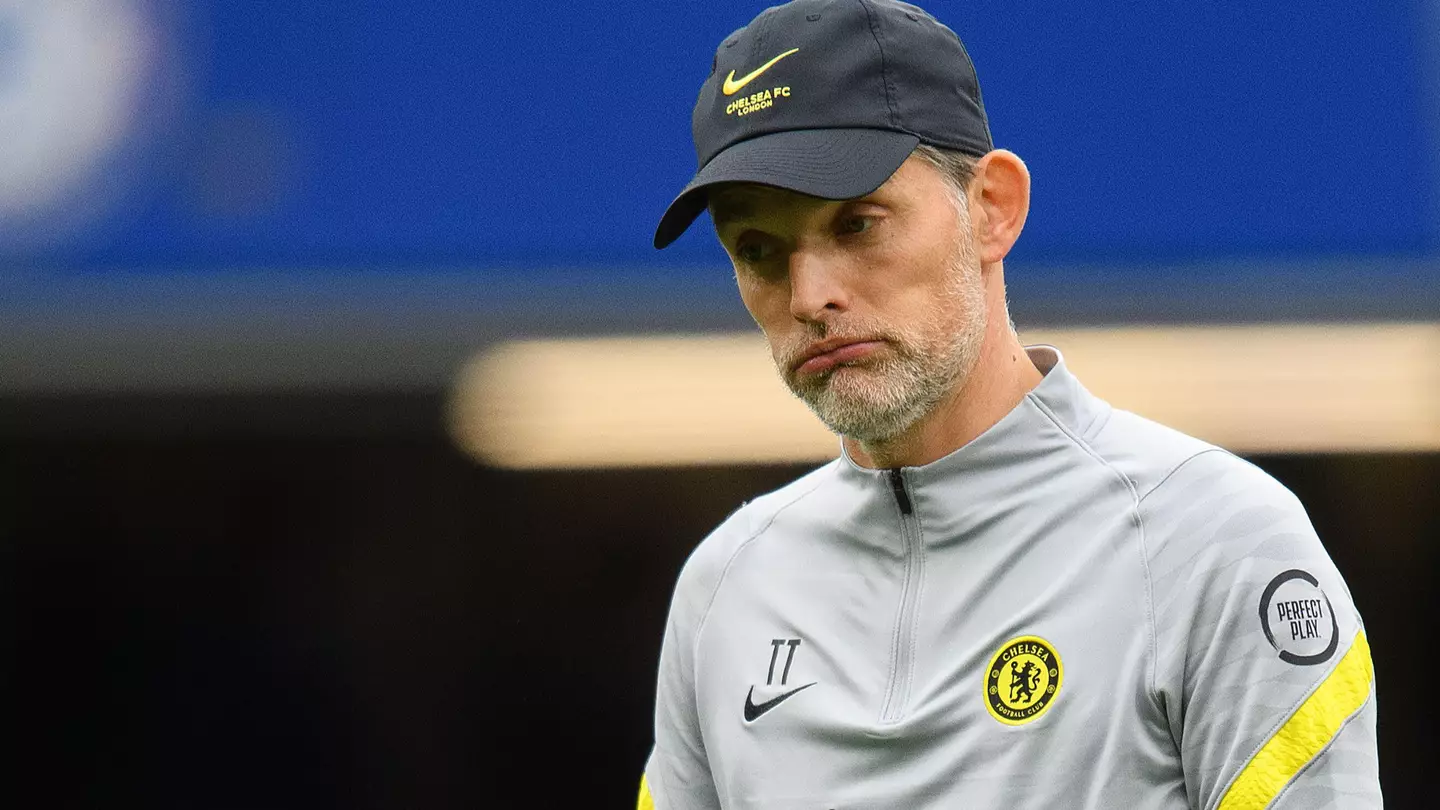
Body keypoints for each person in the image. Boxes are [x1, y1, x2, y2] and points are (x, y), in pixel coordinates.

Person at [639, 1, 1381, 808]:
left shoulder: (1213, 541)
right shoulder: (724, 589)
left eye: (857, 224)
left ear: (992, 208)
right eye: (757, 250)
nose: (810, 295)